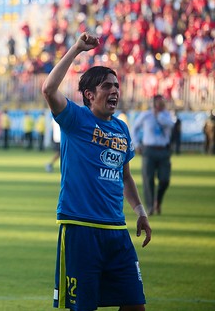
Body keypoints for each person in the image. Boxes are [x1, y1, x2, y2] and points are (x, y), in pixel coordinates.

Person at [41, 33, 151, 311]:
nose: (114, 91)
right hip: (81, 228)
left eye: (116, 86)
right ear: (90, 95)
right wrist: (76, 48)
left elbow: (126, 177)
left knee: (135, 304)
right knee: (83, 307)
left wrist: (140, 212)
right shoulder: (75, 119)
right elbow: (48, 89)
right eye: (106, 86)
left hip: (117, 231)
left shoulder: (122, 129)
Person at [131, 95, 175, 216]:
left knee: (165, 179)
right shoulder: (146, 115)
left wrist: (158, 115)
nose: (161, 105)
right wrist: (136, 143)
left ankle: (158, 201)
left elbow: (170, 125)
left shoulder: (166, 115)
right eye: (159, 102)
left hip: (163, 150)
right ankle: (150, 206)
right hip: (149, 150)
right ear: (154, 103)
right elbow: (134, 128)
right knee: (148, 179)